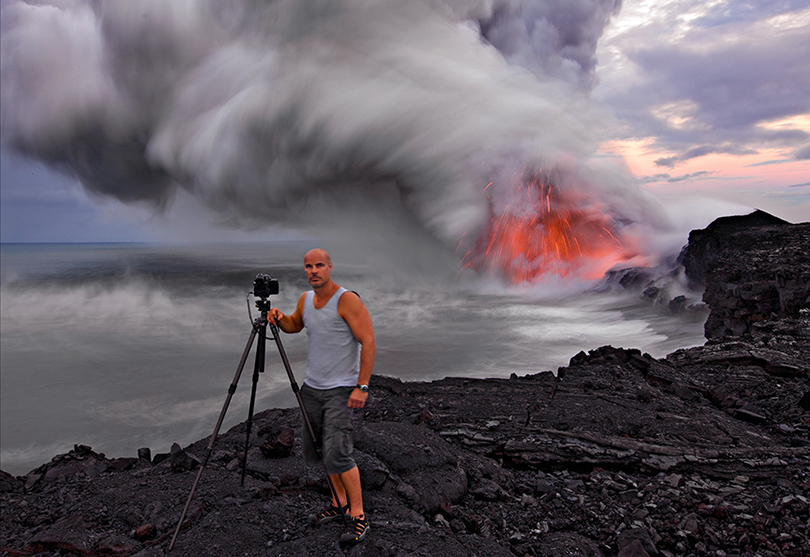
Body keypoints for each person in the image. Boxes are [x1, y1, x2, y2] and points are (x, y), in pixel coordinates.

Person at [267, 248, 375, 544]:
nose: (313, 271)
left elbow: (368, 341)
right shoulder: (306, 300)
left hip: (340, 390)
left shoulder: (346, 301)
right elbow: (295, 325)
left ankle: (359, 517)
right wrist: (279, 317)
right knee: (319, 451)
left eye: (319, 265)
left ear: (330, 267)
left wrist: (361, 386)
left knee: (339, 453)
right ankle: (338, 503)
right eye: (308, 266)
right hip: (311, 388)